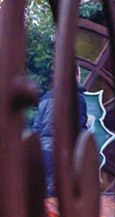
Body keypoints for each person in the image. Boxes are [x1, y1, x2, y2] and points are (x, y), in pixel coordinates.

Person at [33, 64, 88, 197]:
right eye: (79, 74)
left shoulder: (46, 97)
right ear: (75, 75)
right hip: (65, 153)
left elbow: (36, 127)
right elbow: (79, 129)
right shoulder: (77, 98)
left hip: (45, 152)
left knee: (47, 195)